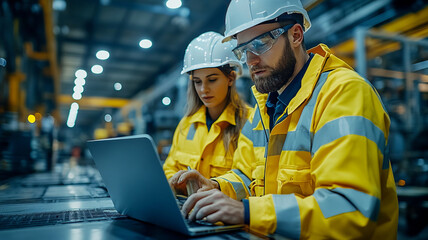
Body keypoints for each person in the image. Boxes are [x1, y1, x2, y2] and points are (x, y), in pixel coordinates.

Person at [173, 0, 399, 239]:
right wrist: (216, 187)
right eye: (243, 50)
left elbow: (348, 211)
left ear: (296, 35)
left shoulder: (344, 94)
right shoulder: (265, 107)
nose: (250, 60)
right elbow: (246, 176)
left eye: (260, 44)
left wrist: (248, 212)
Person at [163, 32, 250, 194]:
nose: (204, 90)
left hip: (228, 215)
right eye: (197, 82)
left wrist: (214, 186)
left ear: (231, 78)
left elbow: (251, 180)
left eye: (212, 80)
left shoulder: (250, 123)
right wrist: (176, 180)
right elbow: (169, 167)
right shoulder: (186, 124)